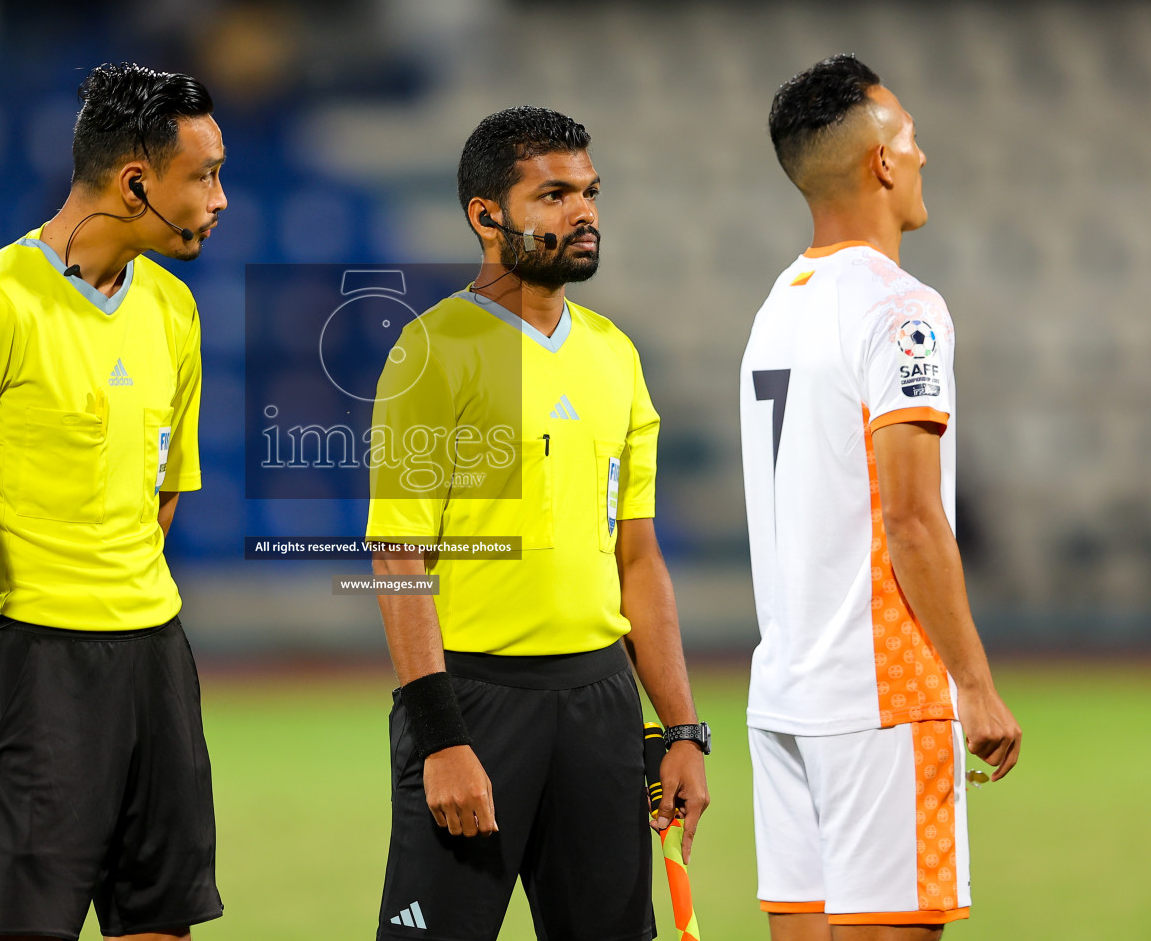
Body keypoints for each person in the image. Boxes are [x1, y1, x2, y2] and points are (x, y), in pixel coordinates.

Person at [0, 62, 225, 941]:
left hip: (155, 657)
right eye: (203, 176)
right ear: (134, 182)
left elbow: (163, 492)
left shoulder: (174, 310)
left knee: (159, 920)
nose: (220, 198)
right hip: (34, 662)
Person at [366, 106, 709, 941]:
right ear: (488, 216)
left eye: (589, 193)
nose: (583, 212)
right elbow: (397, 559)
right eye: (553, 195)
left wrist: (680, 729)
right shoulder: (430, 350)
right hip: (474, 706)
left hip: (601, 705)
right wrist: (441, 740)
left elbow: (639, 558)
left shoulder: (616, 355)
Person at [740, 54, 1022, 941]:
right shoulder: (901, 310)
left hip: (784, 693)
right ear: (881, 164)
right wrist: (973, 686)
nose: (924, 153)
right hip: (880, 695)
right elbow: (909, 513)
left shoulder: (779, 303)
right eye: (910, 136)